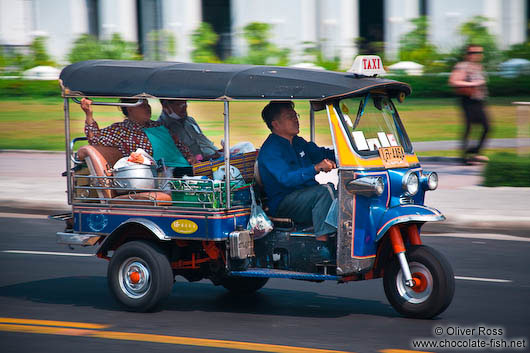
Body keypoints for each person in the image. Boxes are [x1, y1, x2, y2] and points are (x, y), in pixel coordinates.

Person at [258, 101, 337, 237]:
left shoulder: (298, 142)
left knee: (344, 193)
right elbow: (286, 179)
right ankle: (324, 243)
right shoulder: (270, 150)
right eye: (290, 117)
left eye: (296, 116)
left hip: (306, 196)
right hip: (284, 203)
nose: (296, 120)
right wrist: (316, 168)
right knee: (325, 191)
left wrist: (348, 154)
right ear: (275, 124)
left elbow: (321, 154)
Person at [81, 98, 195, 173]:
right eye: (142, 105)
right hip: (157, 174)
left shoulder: (158, 125)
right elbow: (95, 139)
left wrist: (190, 157)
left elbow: (179, 145)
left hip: (181, 167)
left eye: (147, 104)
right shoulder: (121, 130)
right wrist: (89, 114)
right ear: (130, 108)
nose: (148, 107)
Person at [449, 44, 490, 164]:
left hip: (479, 100)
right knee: (469, 126)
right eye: (472, 53)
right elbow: (453, 81)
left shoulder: (479, 67)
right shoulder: (462, 66)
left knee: (487, 127)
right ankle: (465, 155)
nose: (476, 55)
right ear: (467, 54)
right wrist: (473, 84)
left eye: (478, 53)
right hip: (468, 100)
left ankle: (474, 152)